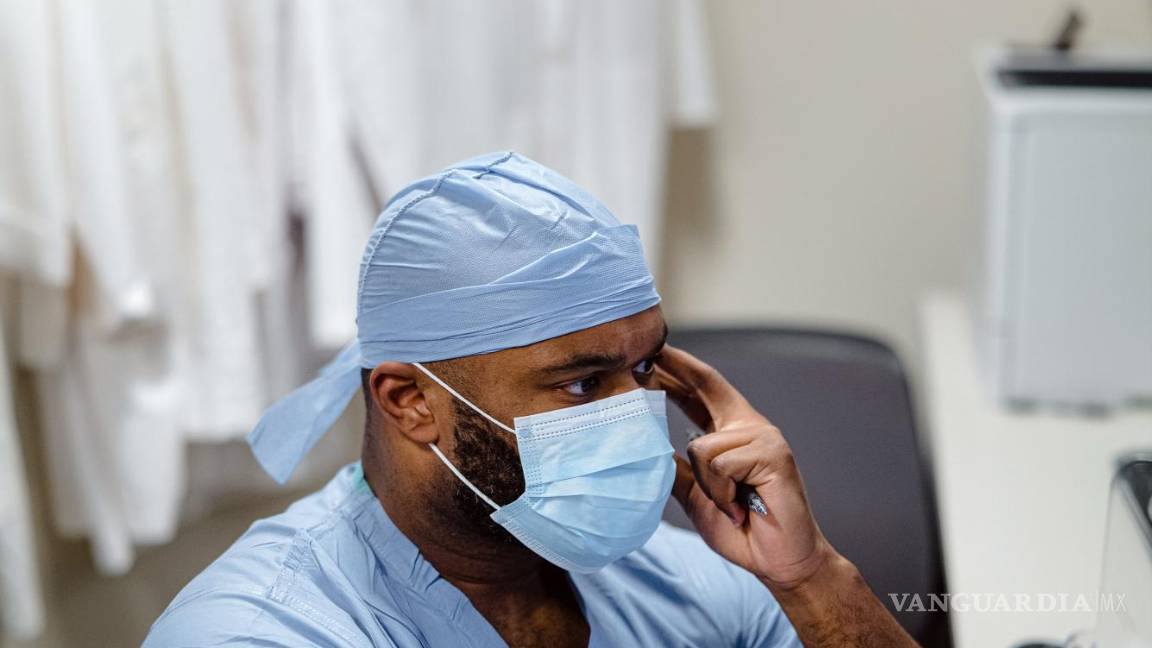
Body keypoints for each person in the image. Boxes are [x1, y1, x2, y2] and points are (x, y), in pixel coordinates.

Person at [144, 152, 917, 647]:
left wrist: (810, 578)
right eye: (584, 383)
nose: (635, 416)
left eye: (646, 369)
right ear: (411, 400)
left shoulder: (671, 583)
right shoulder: (265, 630)